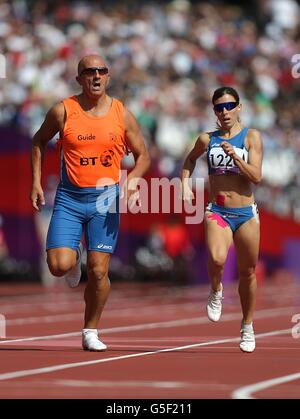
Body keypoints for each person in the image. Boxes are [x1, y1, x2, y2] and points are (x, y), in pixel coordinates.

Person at [30, 54, 150, 351]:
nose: (96, 76)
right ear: (79, 78)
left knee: (98, 271)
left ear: (108, 77)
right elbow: (38, 141)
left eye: (101, 71)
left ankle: (90, 330)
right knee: (59, 267)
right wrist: (35, 181)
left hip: (105, 200)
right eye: (89, 72)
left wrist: (133, 178)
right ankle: (73, 256)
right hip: (69, 198)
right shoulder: (63, 111)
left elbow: (143, 155)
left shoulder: (121, 114)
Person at [182, 86, 263, 353]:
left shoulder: (251, 137)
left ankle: (247, 326)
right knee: (217, 258)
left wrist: (235, 157)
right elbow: (189, 161)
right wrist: (184, 184)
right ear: (214, 111)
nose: (225, 112)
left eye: (229, 106)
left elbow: (256, 176)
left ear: (239, 107)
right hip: (218, 211)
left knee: (247, 272)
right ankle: (216, 290)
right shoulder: (207, 139)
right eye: (219, 108)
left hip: (246, 214)